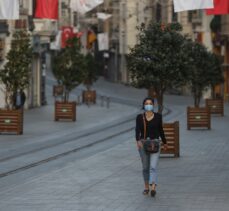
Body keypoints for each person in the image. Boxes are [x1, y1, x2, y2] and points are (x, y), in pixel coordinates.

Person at [135, 97, 167, 197]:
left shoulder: (158, 116)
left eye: (150, 103)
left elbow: (161, 130)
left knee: (153, 167)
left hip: (156, 144)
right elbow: (137, 130)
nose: (148, 105)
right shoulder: (140, 117)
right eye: (146, 103)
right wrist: (138, 141)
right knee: (145, 167)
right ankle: (146, 187)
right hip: (143, 144)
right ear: (144, 105)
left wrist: (165, 142)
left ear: (153, 105)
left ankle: (153, 187)